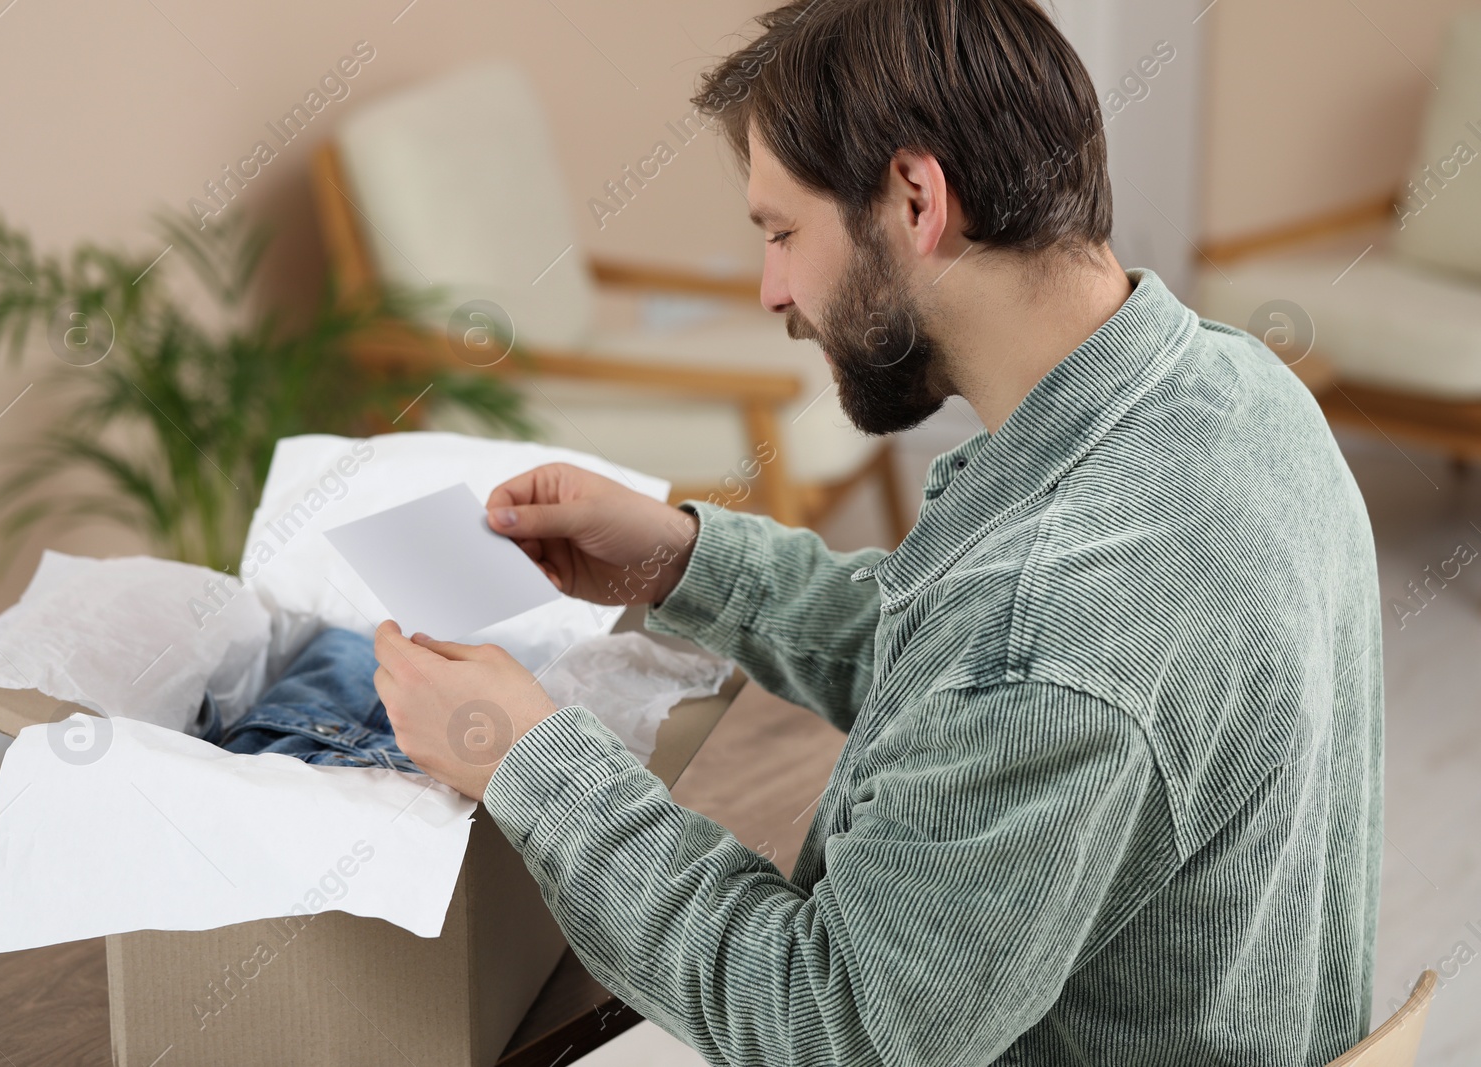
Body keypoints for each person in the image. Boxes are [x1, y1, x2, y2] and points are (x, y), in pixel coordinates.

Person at [369, 0, 1383, 1063]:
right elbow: (967, 677)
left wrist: (530, 760)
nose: (775, 291)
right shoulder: (1233, 388)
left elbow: (828, 1026)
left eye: (780, 233)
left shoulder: (1049, 632)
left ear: (914, 200)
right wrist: (686, 555)